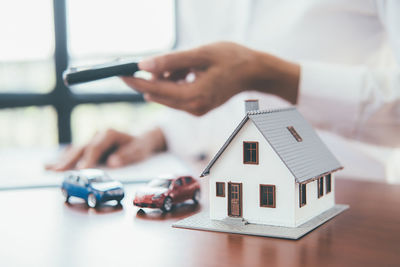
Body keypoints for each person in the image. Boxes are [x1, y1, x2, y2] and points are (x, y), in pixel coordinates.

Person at [47, 1, 400, 180]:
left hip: (347, 212)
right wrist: (159, 135)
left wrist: (270, 75)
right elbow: (212, 98)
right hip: (212, 211)